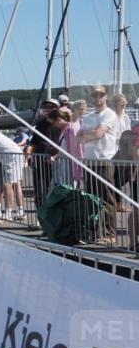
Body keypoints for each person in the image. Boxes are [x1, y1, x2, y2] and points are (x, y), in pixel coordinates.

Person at [77, 85, 120, 244]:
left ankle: (110, 234)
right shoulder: (88, 117)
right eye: (94, 95)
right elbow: (77, 137)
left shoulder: (109, 114)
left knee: (107, 199)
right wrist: (91, 135)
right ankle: (95, 232)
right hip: (89, 161)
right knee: (92, 199)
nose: (97, 98)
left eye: (100, 95)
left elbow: (99, 133)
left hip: (104, 161)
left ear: (106, 96)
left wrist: (88, 135)